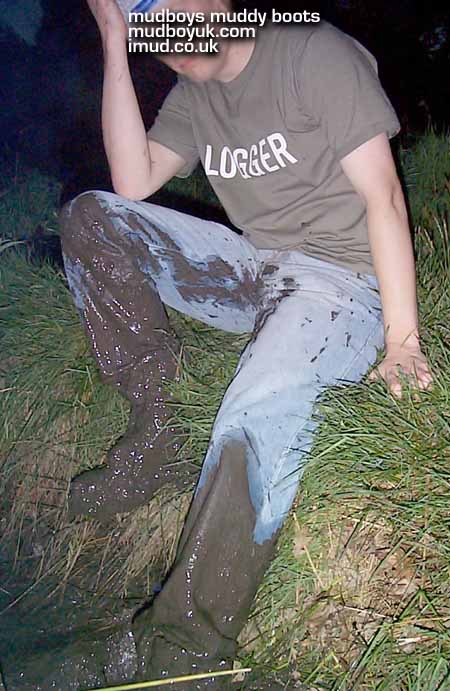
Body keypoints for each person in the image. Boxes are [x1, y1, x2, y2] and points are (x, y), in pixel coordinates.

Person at [57, 0, 433, 687]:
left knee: (254, 409)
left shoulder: (310, 51)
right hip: (258, 269)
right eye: (144, 19)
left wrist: (402, 340)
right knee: (94, 218)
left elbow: (382, 195)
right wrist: (113, 39)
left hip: (342, 279)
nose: (164, 31)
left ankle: (183, 651)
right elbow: (133, 181)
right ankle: (159, 431)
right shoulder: (192, 96)